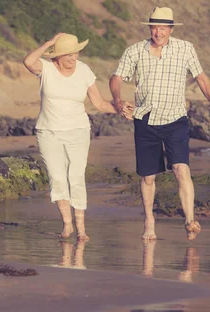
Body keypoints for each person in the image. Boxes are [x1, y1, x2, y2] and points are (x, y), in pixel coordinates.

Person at [109, 7, 210, 241]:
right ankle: (149, 221)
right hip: (145, 120)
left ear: (171, 29)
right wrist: (118, 101)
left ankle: (190, 220)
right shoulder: (135, 51)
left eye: (163, 28)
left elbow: (201, 78)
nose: (158, 32)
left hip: (175, 120)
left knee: (181, 169)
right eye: (154, 27)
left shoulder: (185, 48)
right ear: (149, 28)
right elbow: (116, 77)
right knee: (148, 177)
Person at [23, 32, 131, 241]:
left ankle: (81, 229)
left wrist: (120, 109)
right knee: (57, 177)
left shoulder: (84, 71)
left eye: (76, 53)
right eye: (68, 55)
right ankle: (67, 225)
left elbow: (99, 103)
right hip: (48, 132)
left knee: (76, 177)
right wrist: (49, 42)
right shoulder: (45, 68)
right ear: (58, 56)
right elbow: (28, 61)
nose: (74, 58)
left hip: (78, 131)